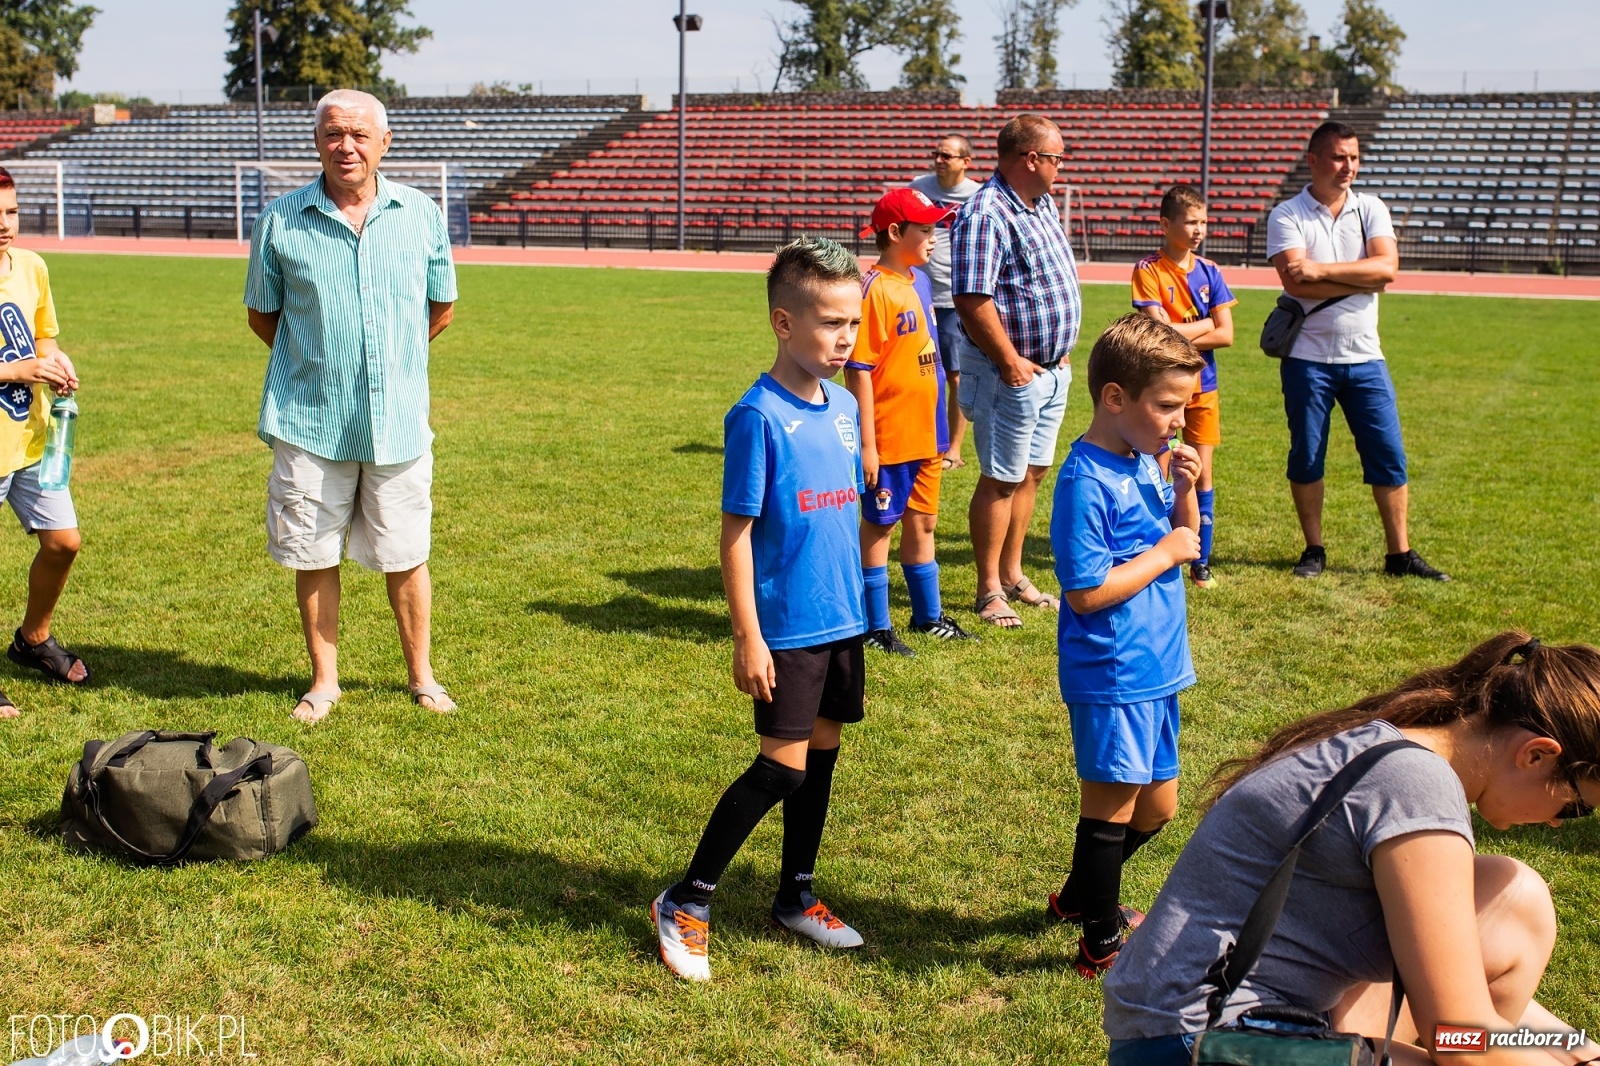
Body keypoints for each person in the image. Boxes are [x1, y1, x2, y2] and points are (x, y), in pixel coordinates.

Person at [1103, 630, 1600, 1066]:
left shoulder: (1395, 747)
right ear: (1537, 754)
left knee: (1513, 899)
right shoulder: (1417, 786)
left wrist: (1577, 1048)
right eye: (1577, 806)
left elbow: (1473, 1010)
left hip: (1192, 1026)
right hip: (1206, 1043)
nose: (1558, 823)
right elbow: (1458, 1038)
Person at [650, 237, 871, 983]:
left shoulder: (842, 405)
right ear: (783, 322)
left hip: (842, 620)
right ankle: (688, 898)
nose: (844, 338)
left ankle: (796, 895)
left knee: (822, 761)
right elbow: (737, 535)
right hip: (789, 627)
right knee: (780, 771)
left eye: (852, 323)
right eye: (829, 323)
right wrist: (749, 634)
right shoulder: (757, 415)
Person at [243, 89, 458, 724]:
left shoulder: (421, 214)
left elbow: (440, 308)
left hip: (396, 421)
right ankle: (324, 680)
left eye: (361, 135)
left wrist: (389, 361)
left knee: (406, 551)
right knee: (311, 552)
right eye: (335, 133)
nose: (347, 146)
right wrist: (322, 361)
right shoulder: (281, 220)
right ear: (317, 141)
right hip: (309, 419)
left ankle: (421, 676)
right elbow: (264, 315)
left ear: (384, 144)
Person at [1046, 314, 1204, 979]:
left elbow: (1185, 543)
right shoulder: (1084, 481)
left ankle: (1081, 895)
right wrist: (1164, 551)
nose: (1179, 422)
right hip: (1113, 669)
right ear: (1115, 398)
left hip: (1158, 662)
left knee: (1159, 804)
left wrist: (1187, 493)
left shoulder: (1143, 459)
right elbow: (1085, 591)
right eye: (1167, 406)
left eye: (1184, 408)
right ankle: (1100, 942)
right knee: (1110, 806)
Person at [1267, 120, 1448, 582]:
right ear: (1313, 160)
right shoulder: (1287, 214)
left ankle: (1399, 554)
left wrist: (1322, 270)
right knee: (1307, 454)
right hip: (1307, 358)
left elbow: (1387, 270)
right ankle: (1314, 549)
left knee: (1388, 454)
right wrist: (1362, 273)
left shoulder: (1372, 208)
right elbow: (1293, 280)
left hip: (1366, 357)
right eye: (1338, 157)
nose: (1348, 166)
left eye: (1354, 157)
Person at [951, 113, 1081, 629]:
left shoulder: (1041, 203)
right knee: (1001, 479)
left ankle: (1012, 573)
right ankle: (988, 589)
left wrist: (1057, 348)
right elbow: (972, 297)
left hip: (1048, 369)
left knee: (1031, 473)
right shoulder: (986, 212)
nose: (1060, 167)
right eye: (1056, 158)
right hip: (1010, 373)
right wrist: (1009, 360)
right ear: (1031, 159)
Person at [847, 188, 975, 656]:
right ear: (896, 232)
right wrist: (868, 444)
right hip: (890, 435)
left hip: (928, 433)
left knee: (924, 524)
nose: (934, 236)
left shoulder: (918, 281)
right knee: (880, 527)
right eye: (925, 228)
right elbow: (858, 370)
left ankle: (928, 616)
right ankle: (874, 626)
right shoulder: (873, 289)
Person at [0, 166, 87, 719]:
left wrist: (52, 361)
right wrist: (19, 368)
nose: (4, 225)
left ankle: (33, 640)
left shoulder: (31, 266)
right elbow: (20, 359)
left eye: (9, 212)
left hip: (31, 440)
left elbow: (42, 334)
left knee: (64, 542)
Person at [1131, 184, 1236, 589]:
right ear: (1165, 224)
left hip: (1203, 386)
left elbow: (1227, 335)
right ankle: (1156, 548)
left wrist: (1184, 331)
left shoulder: (1210, 271)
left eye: (1203, 222)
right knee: (1160, 467)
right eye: (1191, 221)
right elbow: (1157, 332)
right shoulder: (1148, 269)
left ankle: (1200, 559)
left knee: (1200, 472)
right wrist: (1207, 323)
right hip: (1161, 388)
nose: (1199, 230)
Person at [909, 134, 981, 471]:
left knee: (955, 376)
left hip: (956, 298)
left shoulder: (977, 195)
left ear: (966, 162)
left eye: (947, 156)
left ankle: (953, 448)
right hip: (918, 292)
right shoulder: (918, 187)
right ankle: (919, 439)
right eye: (936, 153)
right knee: (916, 370)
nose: (939, 159)